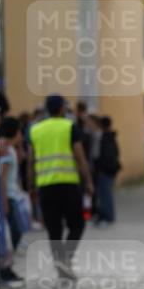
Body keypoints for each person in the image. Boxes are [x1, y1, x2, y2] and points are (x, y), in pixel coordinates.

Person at [28, 94, 93, 279]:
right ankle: (65, 259)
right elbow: (80, 157)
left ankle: (61, 264)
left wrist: (31, 186)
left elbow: (31, 161)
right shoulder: (69, 127)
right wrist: (88, 181)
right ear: (61, 108)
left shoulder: (35, 130)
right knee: (77, 224)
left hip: (45, 186)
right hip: (68, 185)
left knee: (53, 229)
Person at [0, 117, 27, 284]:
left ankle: (6, 266)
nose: (22, 135)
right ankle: (4, 268)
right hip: (7, 196)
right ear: (15, 132)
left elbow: (21, 159)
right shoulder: (6, 152)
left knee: (15, 231)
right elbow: (1, 177)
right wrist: (4, 202)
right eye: (20, 132)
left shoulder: (10, 150)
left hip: (12, 196)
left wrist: (20, 146)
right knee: (13, 232)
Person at [94, 116, 121, 226]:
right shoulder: (111, 137)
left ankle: (108, 216)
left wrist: (100, 167)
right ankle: (106, 215)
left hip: (106, 170)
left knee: (105, 194)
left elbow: (106, 156)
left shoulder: (106, 138)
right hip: (110, 169)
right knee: (105, 193)